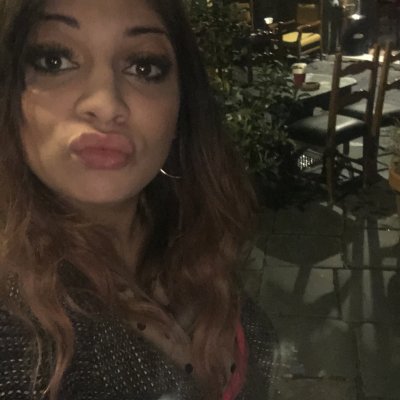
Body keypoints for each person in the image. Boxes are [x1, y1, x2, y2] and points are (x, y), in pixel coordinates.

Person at [0, 0, 276, 399]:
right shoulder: (14, 328)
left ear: (181, 107)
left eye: (144, 67)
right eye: (54, 61)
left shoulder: (190, 235)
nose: (105, 105)